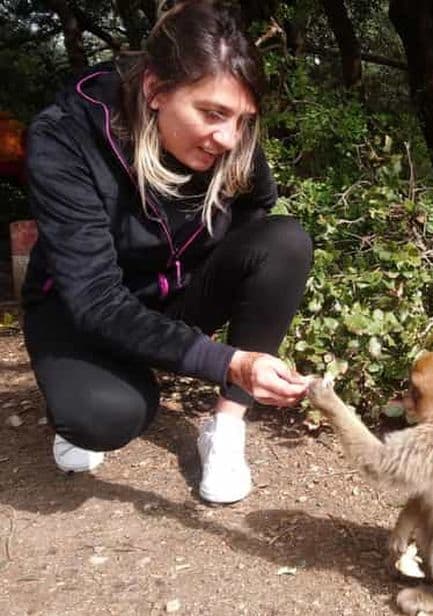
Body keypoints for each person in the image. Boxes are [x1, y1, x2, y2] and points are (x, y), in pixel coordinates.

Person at [21, 0, 313, 504]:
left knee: (285, 241)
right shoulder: (65, 138)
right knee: (105, 418)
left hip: (173, 293)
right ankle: (92, 386)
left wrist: (215, 276)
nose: (228, 137)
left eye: (242, 119)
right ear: (155, 90)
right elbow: (94, 298)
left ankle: (225, 427)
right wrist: (225, 359)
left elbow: (257, 208)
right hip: (79, 309)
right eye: (212, 113)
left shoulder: (231, 138)